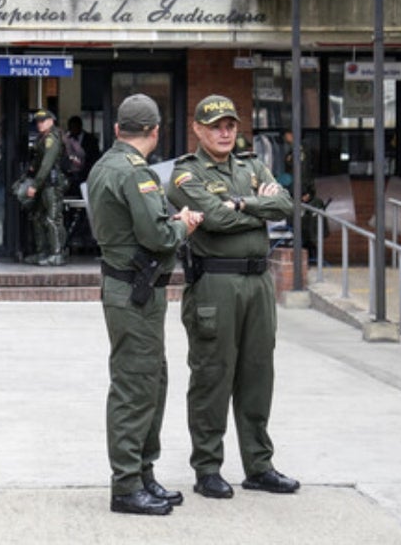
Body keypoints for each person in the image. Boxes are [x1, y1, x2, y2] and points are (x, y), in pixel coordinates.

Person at [166, 94, 300, 500]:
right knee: (212, 375)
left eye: (230, 125)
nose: (224, 132)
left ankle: (259, 465)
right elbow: (216, 219)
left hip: (259, 282)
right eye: (215, 126)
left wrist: (241, 201)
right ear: (198, 129)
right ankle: (207, 467)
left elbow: (285, 204)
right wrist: (253, 210)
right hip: (215, 285)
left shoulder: (251, 165)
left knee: (258, 375)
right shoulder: (185, 175)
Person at [87, 94, 203, 516]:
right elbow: (158, 237)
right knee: (135, 387)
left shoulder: (106, 165)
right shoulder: (137, 175)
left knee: (151, 380)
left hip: (134, 290)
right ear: (155, 132)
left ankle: (142, 473)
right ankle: (126, 485)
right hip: (134, 291)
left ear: (118, 129)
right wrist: (184, 225)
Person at [21, 109, 67, 266]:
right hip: (44, 184)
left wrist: (34, 185)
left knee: (52, 219)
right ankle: (42, 252)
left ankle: (57, 254)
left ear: (51, 121)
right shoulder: (43, 138)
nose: (40, 124)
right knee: (37, 218)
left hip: (51, 184)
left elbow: (47, 164)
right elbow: (38, 162)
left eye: (43, 121)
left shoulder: (52, 138)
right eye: (38, 121)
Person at [61, 115, 86, 197]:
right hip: (68, 176)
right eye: (71, 127)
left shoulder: (90, 140)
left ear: (80, 127)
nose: (73, 130)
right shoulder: (66, 140)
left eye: (75, 127)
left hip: (84, 177)